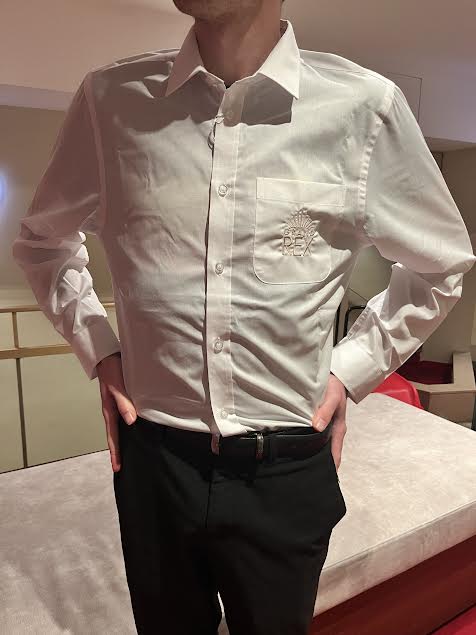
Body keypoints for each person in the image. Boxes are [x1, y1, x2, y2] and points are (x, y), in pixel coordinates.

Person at [11, 0, 476, 633]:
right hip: (154, 460)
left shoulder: (364, 110)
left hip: (286, 464)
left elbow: (441, 263)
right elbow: (43, 243)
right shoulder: (110, 102)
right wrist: (101, 348)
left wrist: (352, 369)